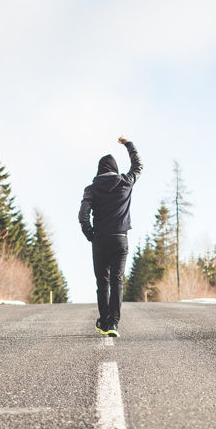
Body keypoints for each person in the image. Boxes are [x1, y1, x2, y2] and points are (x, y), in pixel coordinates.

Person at [78, 136, 142, 336]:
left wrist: (91, 234)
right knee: (117, 281)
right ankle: (113, 324)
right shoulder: (125, 182)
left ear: (99, 171)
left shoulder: (92, 188)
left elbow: (83, 215)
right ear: (115, 169)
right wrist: (129, 145)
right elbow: (138, 166)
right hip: (120, 238)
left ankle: (104, 322)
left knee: (102, 283)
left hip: (100, 240)